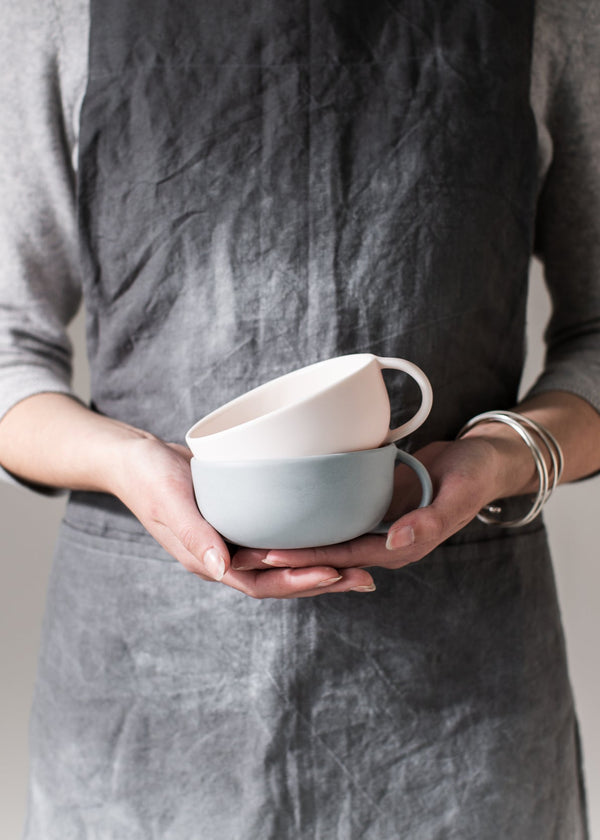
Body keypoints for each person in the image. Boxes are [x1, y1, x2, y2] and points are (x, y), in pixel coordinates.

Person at [1, 0, 599, 837]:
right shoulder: (59, 13)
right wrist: (125, 460)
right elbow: (8, 340)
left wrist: (501, 456)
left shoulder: (551, 15)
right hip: (146, 704)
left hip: (460, 710)